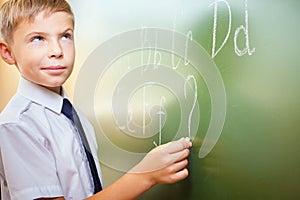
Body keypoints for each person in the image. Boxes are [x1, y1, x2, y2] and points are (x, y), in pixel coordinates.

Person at [0, 0, 192, 199]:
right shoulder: (17, 126)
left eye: (65, 36)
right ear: (8, 52)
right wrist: (143, 176)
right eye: (38, 38)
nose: (57, 51)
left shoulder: (74, 116)